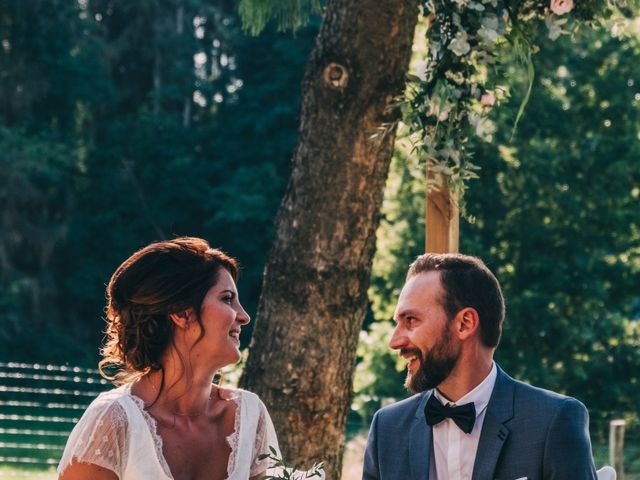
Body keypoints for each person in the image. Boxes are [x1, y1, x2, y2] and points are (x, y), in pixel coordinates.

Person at [58, 237, 279, 480]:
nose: (244, 316)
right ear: (181, 312)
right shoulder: (114, 421)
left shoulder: (249, 416)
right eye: (227, 298)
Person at [363, 253, 597, 480]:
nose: (395, 342)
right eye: (398, 324)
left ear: (465, 324)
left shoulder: (553, 421)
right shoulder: (387, 429)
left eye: (411, 320)